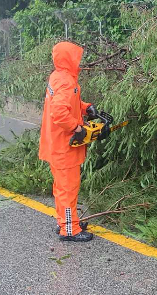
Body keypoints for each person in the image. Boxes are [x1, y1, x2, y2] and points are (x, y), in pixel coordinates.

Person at [39, 41, 99, 242]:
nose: (79, 62)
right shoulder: (66, 81)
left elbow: (66, 103)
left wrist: (84, 108)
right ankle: (69, 229)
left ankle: (65, 220)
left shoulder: (58, 76)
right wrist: (78, 128)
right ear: (69, 59)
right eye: (76, 58)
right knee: (68, 188)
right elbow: (59, 112)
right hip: (64, 145)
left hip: (56, 144)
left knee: (62, 187)